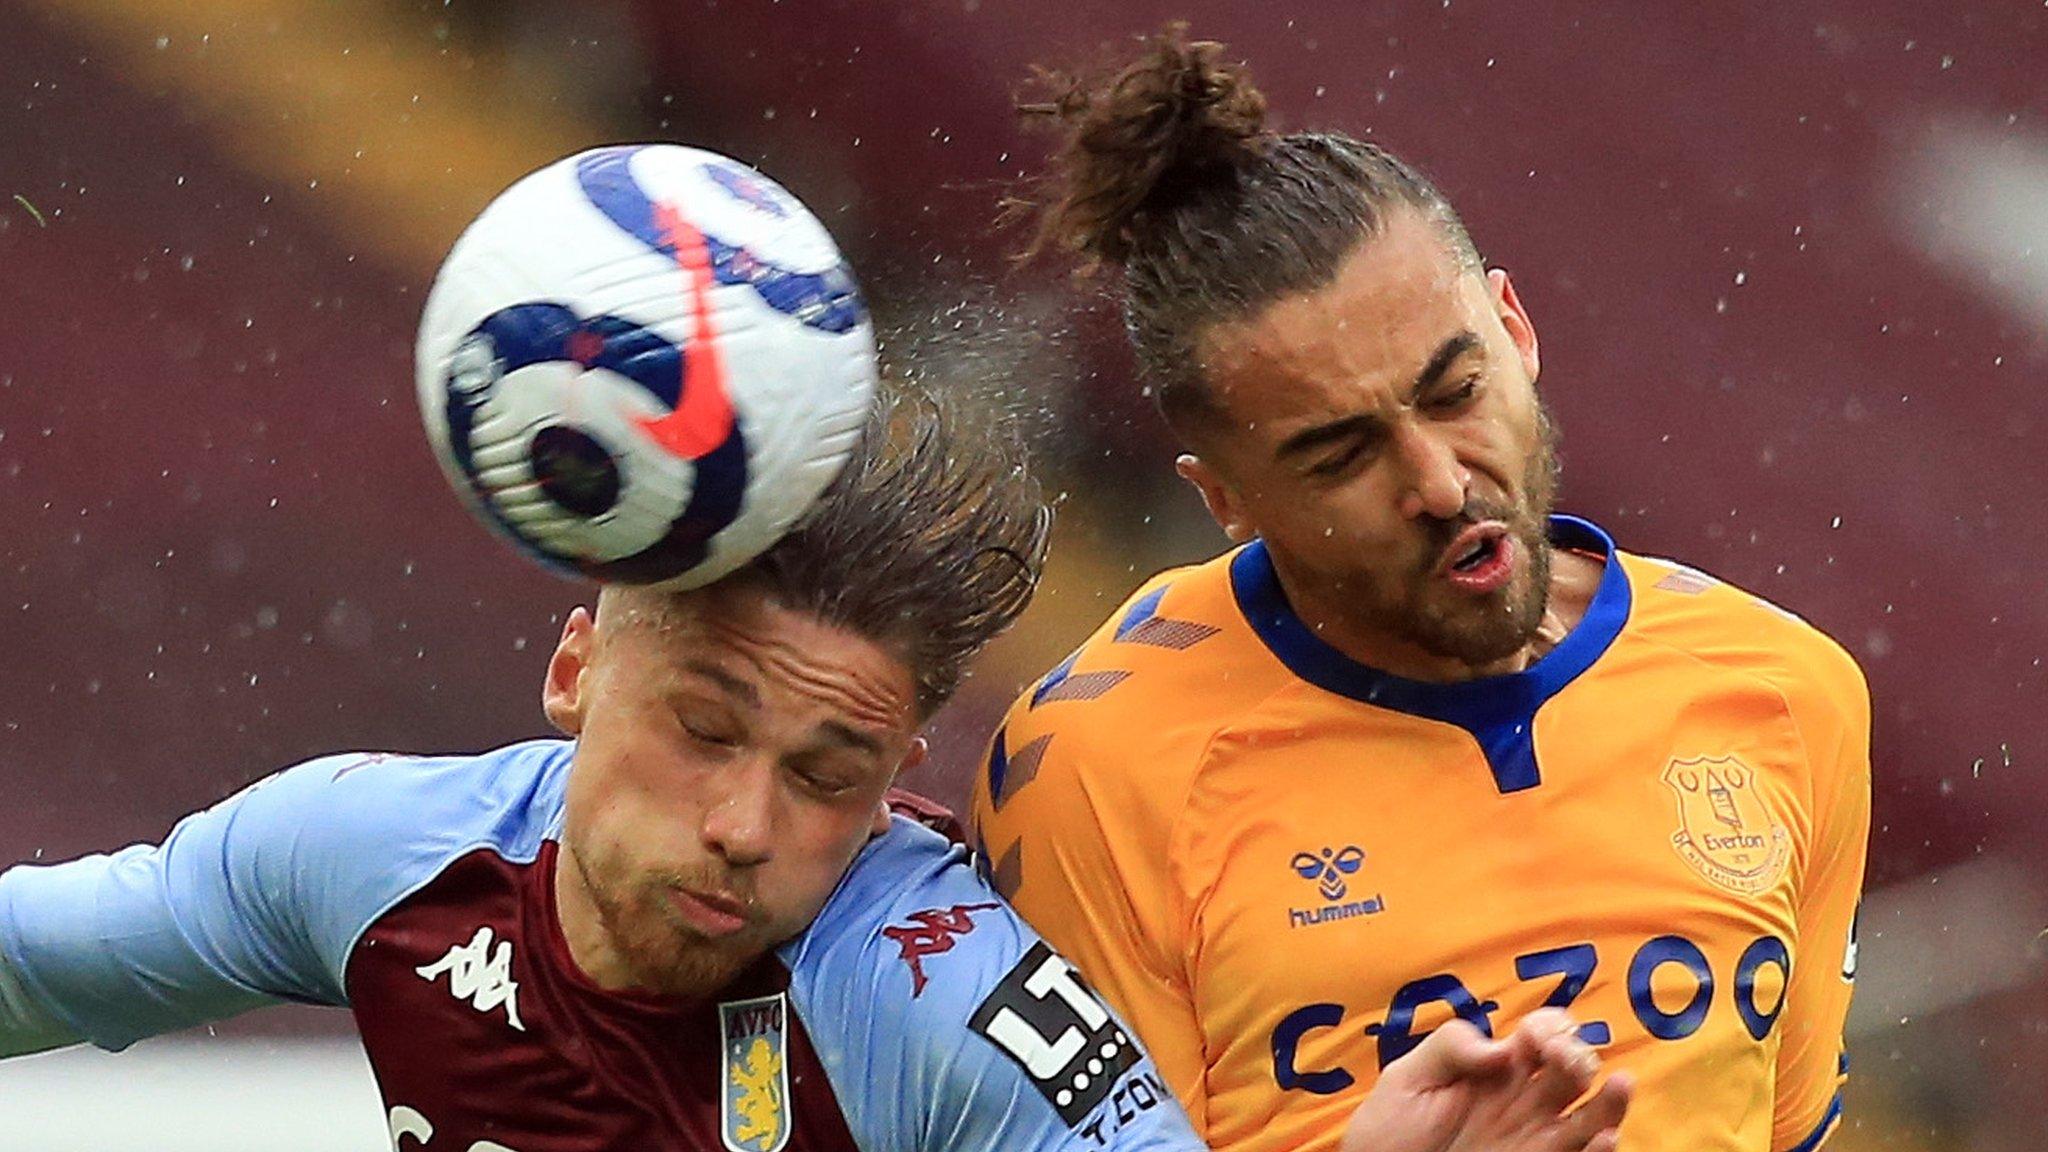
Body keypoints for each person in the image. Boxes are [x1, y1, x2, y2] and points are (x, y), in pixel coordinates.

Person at [0, 386, 1628, 1151]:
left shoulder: (925, 997)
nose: (741, 825)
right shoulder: (370, 855)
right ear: (577, 667)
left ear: (899, 768)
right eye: (702, 727)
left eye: (825, 770)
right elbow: (31, 961)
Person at [972, 26, 1868, 1152]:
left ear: (1515, 327)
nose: (1440, 483)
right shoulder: (1094, 772)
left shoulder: (1785, 692)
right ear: (1225, 498)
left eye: (1453, 389)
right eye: (1341, 456)